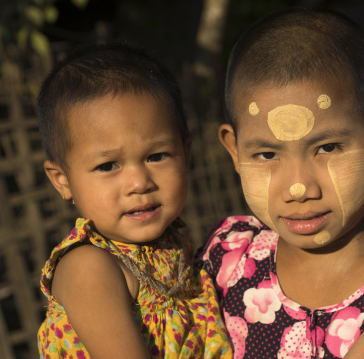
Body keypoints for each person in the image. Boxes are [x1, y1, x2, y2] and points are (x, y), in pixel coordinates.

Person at [197, 7, 364, 359]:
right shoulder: (228, 258)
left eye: (327, 147)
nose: (298, 188)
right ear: (234, 151)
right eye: (267, 155)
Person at [36, 42, 232, 359]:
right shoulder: (89, 266)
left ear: (186, 154)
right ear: (63, 181)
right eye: (107, 166)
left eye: (156, 156)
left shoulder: (175, 246)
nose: (139, 183)